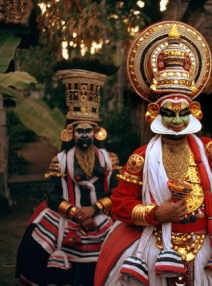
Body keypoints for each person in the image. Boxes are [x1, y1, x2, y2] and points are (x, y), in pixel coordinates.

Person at [94, 21, 212, 286]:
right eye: (170, 114)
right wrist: (156, 214)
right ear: (155, 114)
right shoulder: (142, 157)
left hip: (210, 247)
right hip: (157, 246)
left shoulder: (209, 149)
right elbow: (121, 203)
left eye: (184, 113)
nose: (178, 121)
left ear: (194, 111)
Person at [16, 69, 121, 285]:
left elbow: (116, 194)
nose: (84, 136)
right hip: (65, 215)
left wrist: (93, 210)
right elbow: (53, 196)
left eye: (88, 131)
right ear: (70, 134)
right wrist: (77, 214)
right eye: (79, 131)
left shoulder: (110, 159)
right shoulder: (60, 160)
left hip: (102, 214)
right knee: (38, 240)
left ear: (97, 132)